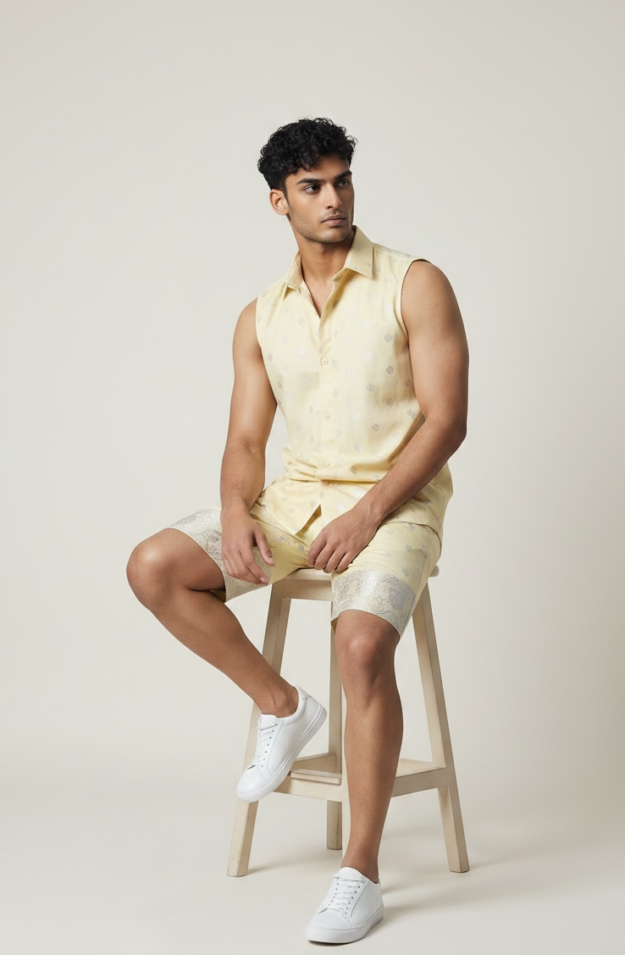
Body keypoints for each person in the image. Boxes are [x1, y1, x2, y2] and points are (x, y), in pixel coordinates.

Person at [126, 116, 469, 945]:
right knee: (154, 566)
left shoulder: (414, 282)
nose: (333, 198)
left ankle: (359, 874)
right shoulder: (260, 315)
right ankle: (282, 705)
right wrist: (235, 512)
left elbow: (446, 421)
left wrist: (367, 512)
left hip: (394, 505)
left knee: (360, 644)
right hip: (292, 504)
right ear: (278, 202)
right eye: (311, 186)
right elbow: (245, 442)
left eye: (341, 180)